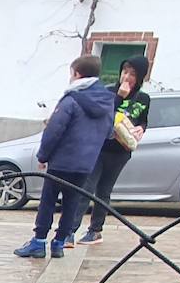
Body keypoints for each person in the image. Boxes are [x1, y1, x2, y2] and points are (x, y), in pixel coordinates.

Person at [13, 55, 115, 260]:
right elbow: (108, 131)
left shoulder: (71, 99)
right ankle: (59, 243)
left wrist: (43, 155)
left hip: (62, 160)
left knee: (48, 201)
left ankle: (39, 242)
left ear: (77, 74)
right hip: (86, 162)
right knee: (72, 202)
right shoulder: (107, 100)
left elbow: (54, 130)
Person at [76, 56, 150, 245]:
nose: (127, 77)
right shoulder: (108, 91)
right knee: (87, 188)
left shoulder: (143, 98)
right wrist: (119, 97)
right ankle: (70, 230)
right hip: (100, 147)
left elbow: (143, 119)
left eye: (132, 74)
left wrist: (141, 128)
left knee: (104, 191)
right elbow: (103, 114)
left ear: (140, 76)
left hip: (121, 151)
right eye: (125, 71)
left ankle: (95, 231)